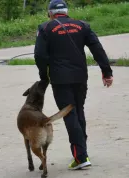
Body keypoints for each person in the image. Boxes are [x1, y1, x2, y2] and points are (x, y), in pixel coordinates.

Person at [34, 0, 113, 170]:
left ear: (50, 13)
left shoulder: (45, 28)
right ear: (66, 12)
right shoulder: (82, 26)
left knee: (69, 114)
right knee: (78, 111)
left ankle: (81, 157)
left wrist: (43, 76)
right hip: (80, 78)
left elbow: (40, 55)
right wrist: (106, 72)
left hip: (60, 80)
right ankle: (82, 152)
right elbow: (97, 49)